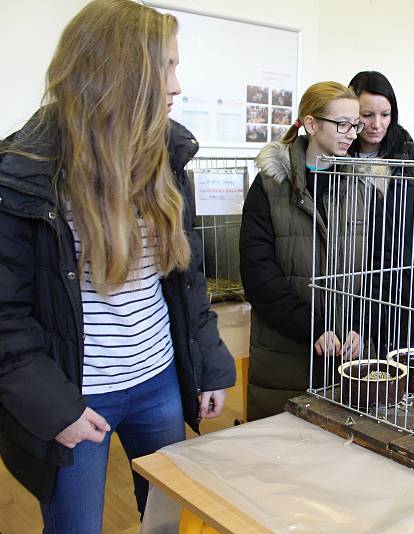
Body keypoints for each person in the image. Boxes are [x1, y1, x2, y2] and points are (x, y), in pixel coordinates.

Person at [0, 1, 236, 532]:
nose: (178, 85)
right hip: (76, 396)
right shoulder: (24, 173)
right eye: (167, 67)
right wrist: (50, 406)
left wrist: (211, 363)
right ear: (117, 72)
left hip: (158, 381)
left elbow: (186, 276)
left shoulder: (166, 158)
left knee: (166, 516)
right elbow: (5, 316)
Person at [241, 81, 372, 420]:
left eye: (355, 124)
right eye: (342, 124)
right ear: (312, 125)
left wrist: (362, 325)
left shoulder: (363, 188)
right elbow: (259, 276)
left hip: (348, 352)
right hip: (287, 352)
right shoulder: (269, 186)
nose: (352, 133)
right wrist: (313, 326)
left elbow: (378, 266)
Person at [348, 71, 414, 353]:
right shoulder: (338, 157)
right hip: (350, 289)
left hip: (404, 294)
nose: (376, 124)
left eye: (385, 114)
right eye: (366, 114)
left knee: (403, 379)